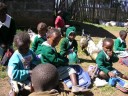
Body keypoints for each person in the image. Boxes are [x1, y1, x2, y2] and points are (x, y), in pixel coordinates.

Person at [40, 28, 89, 93]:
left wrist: (62, 58)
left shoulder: (49, 45)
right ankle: (75, 86)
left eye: (58, 42)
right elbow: (55, 60)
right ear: (48, 37)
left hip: (51, 68)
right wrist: (65, 61)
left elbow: (56, 55)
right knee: (71, 70)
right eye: (55, 41)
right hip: (50, 70)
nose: (56, 43)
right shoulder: (47, 49)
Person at [8, 32, 40, 96]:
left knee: (38, 84)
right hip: (17, 78)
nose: (24, 50)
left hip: (29, 75)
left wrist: (33, 65)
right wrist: (28, 72)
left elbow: (36, 59)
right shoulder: (15, 58)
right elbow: (13, 74)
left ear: (29, 45)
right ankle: (13, 92)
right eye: (21, 49)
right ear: (16, 46)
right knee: (17, 90)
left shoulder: (30, 52)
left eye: (26, 48)